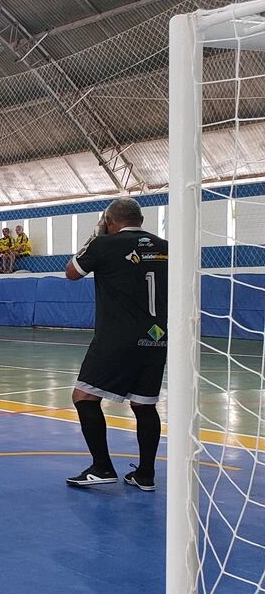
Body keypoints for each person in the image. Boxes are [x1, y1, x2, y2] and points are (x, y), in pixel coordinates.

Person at [64, 198, 168, 490]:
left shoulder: (103, 244)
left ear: (109, 221)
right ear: (140, 220)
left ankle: (102, 467)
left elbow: (71, 272)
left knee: (84, 397)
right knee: (144, 405)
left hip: (117, 337)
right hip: (157, 336)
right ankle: (145, 474)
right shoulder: (166, 247)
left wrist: (95, 236)